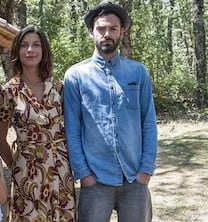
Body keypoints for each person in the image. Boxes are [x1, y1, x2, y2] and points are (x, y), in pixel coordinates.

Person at [63, 1, 158, 222]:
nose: (107, 34)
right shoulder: (76, 76)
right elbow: (73, 129)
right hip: (95, 179)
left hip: (135, 177)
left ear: (121, 32)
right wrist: (83, 174)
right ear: (91, 32)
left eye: (113, 29)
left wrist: (146, 169)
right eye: (101, 29)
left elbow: (148, 122)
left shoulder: (138, 72)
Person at [0, 25, 77, 222]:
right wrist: (16, 165)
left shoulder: (58, 87)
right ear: (17, 51)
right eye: (24, 45)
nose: (30, 50)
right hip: (27, 171)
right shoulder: (8, 91)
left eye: (36, 45)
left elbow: (73, 128)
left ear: (44, 50)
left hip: (61, 169)